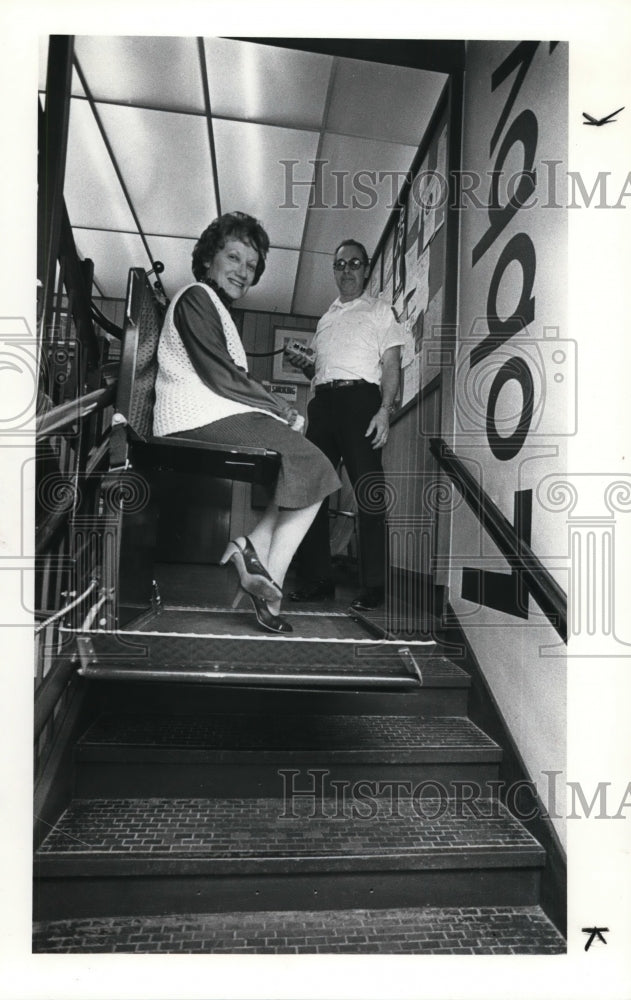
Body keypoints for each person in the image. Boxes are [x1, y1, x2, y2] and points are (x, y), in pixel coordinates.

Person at [153, 211, 341, 634]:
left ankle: (251, 549)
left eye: (251, 265)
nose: (243, 271)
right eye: (234, 258)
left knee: (304, 468)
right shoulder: (196, 296)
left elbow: (230, 376)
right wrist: (281, 407)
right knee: (319, 467)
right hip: (195, 413)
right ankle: (266, 574)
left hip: (209, 410)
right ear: (207, 260)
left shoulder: (214, 306)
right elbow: (221, 375)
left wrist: (276, 409)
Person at [287, 238, 404, 611]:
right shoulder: (325, 319)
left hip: (361, 403)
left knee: (368, 493)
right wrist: (310, 369)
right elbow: (322, 371)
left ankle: (373, 586)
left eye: (355, 263)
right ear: (334, 271)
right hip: (323, 404)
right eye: (340, 264)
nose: (347, 270)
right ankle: (318, 579)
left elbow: (391, 364)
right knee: (312, 492)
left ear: (366, 269)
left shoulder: (381, 311)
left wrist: (384, 410)